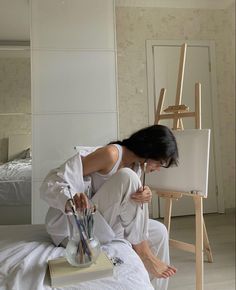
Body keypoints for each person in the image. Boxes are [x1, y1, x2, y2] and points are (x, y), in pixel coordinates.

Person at [40, 124, 179, 290]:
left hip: (103, 224)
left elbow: (124, 202)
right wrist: (70, 200)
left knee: (160, 232)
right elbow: (52, 181)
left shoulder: (137, 166)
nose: (158, 169)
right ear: (150, 151)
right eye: (160, 163)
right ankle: (144, 254)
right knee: (128, 177)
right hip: (77, 228)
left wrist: (143, 194)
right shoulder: (111, 154)